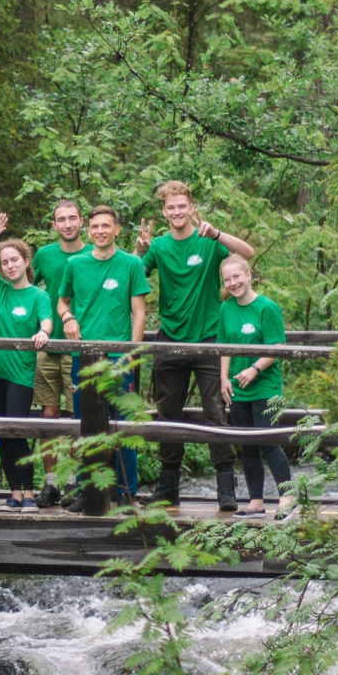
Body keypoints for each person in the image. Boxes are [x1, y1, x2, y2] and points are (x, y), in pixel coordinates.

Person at [134, 179, 259, 512]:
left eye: (182, 206)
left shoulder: (208, 241)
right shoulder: (159, 246)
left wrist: (217, 234)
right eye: (170, 207)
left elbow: (247, 254)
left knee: (216, 412)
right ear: (164, 212)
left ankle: (226, 489)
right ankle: (167, 487)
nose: (177, 212)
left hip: (209, 339)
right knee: (168, 415)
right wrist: (140, 251)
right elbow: (131, 277)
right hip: (170, 340)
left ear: (191, 208)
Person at [55, 204, 151, 504]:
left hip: (118, 356)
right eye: (95, 226)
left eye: (106, 226)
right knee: (87, 425)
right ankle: (89, 491)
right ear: (88, 230)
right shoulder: (75, 264)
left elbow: (139, 313)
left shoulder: (131, 264)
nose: (100, 231)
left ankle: (125, 492)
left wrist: (130, 353)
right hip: (84, 357)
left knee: (123, 425)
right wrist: (68, 318)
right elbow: (62, 302)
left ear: (117, 229)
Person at [0, 214, 54, 511]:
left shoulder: (38, 295)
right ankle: (15, 494)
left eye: (14, 260)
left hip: (20, 374)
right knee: (3, 433)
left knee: (18, 432)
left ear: (26, 261)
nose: (9, 266)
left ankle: (29, 492)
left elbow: (47, 320)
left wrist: (43, 332)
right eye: (5, 262)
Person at [217, 254, 295, 518]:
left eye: (237, 276)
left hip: (265, 387)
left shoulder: (267, 307)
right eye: (227, 279)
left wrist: (255, 368)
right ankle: (256, 502)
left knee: (268, 441)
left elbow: (277, 347)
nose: (233, 283)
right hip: (238, 388)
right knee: (247, 444)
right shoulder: (226, 308)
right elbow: (224, 346)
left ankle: (287, 497)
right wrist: (224, 378)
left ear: (249, 275)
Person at [30, 199, 89, 506]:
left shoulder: (93, 254)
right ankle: (51, 483)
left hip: (79, 347)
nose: (67, 224)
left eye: (72, 218)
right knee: (49, 416)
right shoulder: (44, 255)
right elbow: (26, 288)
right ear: (53, 225)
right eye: (61, 219)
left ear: (82, 221)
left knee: (77, 415)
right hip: (47, 345)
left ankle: (75, 482)